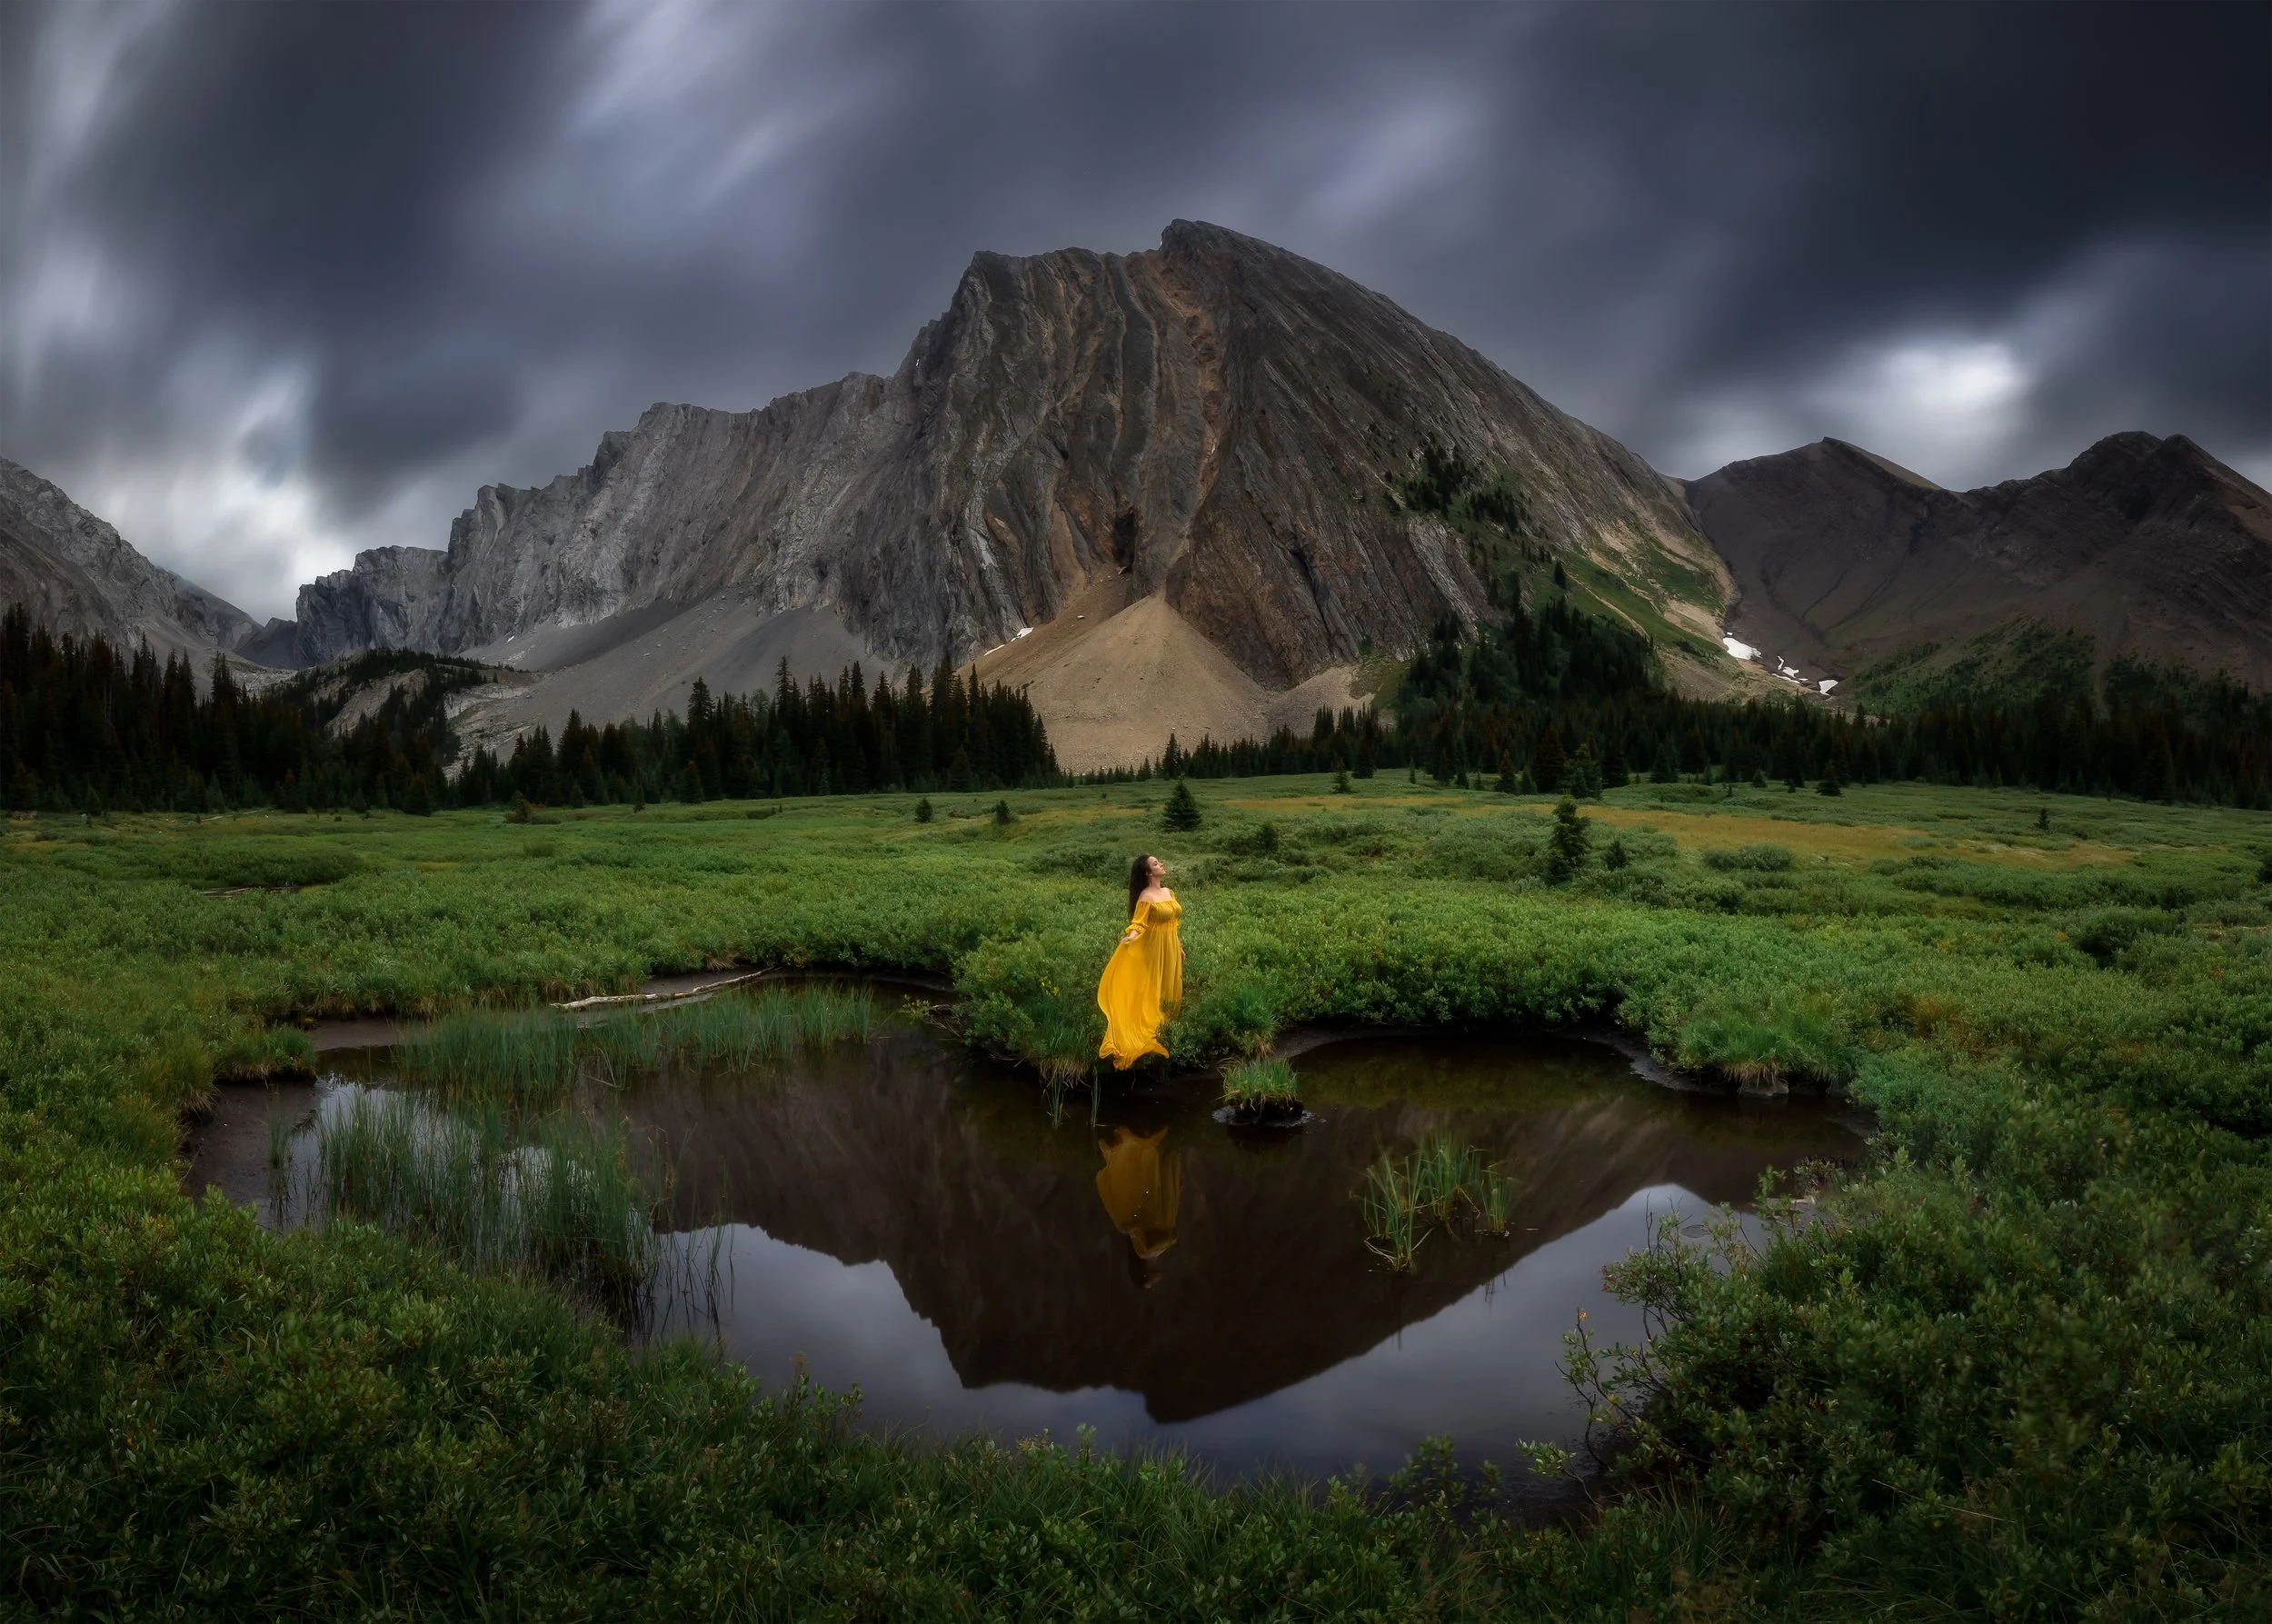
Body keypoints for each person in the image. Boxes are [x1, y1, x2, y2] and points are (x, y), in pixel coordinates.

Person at [1096, 853, 1183, 1068]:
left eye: (1159, 862)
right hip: (1154, 949)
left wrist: (1179, 946)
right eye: (1155, 864)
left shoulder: (1168, 892)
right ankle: (1152, 1027)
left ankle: (1169, 1026)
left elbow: (1173, 922)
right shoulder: (1145, 897)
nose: (1161, 864)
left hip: (1170, 947)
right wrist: (1131, 937)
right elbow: (1139, 924)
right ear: (1147, 872)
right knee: (1153, 985)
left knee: (1169, 983)